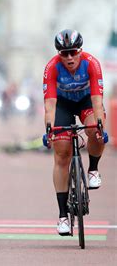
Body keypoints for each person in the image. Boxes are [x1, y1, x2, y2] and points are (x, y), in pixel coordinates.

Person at [43, 29, 106, 236]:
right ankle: (62, 215)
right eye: (64, 53)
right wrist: (49, 129)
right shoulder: (52, 67)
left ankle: (93, 169)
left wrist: (99, 125)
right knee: (61, 153)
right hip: (63, 105)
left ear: (80, 50)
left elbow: (97, 101)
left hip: (86, 102)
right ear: (58, 54)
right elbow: (50, 105)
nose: (69, 57)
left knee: (95, 130)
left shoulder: (92, 64)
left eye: (73, 52)